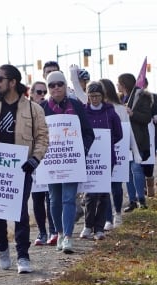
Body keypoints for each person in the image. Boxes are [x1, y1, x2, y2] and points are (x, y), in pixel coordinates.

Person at [0, 64, 49, 268]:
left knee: (20, 212)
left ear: (13, 82)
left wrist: (35, 159)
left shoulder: (33, 109)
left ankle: (23, 255)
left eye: (0, 79)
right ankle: (2, 246)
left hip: (21, 168)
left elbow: (42, 137)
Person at [39, 70, 94, 253]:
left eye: (59, 84)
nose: (56, 88)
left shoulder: (76, 106)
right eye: (51, 85)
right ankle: (60, 233)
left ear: (65, 86)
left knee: (69, 198)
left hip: (71, 161)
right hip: (51, 162)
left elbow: (88, 133)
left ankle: (69, 237)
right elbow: (36, 135)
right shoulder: (42, 109)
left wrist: (81, 151)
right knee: (54, 200)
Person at [80, 81, 121, 241]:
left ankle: (99, 228)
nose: (94, 99)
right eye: (91, 96)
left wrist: (106, 144)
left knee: (103, 193)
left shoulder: (110, 112)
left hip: (106, 158)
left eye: (97, 96)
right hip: (89, 159)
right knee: (90, 193)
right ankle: (87, 225)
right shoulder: (83, 112)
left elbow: (118, 134)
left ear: (103, 96)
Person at [118, 73, 153, 211]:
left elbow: (147, 118)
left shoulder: (142, 98)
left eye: (119, 83)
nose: (117, 85)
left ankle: (141, 199)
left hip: (138, 139)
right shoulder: (120, 99)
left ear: (124, 84)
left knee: (136, 169)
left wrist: (133, 114)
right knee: (127, 172)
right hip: (124, 139)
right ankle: (132, 200)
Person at [28, 81, 57, 246]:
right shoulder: (25, 110)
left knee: (50, 197)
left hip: (49, 157)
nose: (42, 95)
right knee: (37, 198)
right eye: (39, 92)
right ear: (31, 93)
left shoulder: (50, 108)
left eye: (44, 92)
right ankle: (42, 232)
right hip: (32, 159)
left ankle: (54, 230)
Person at [99, 78, 129, 230]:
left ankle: (117, 212)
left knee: (116, 186)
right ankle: (107, 219)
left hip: (117, 150)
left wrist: (134, 152)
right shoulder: (94, 107)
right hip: (99, 153)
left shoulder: (119, 108)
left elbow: (126, 132)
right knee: (103, 187)